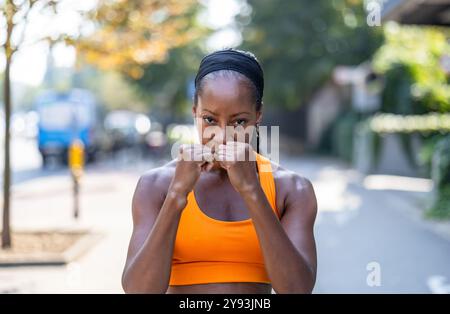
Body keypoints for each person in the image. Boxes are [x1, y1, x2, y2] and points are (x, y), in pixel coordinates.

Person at [122, 48, 318, 294]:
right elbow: (138, 291)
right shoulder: (155, 186)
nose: (222, 137)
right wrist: (177, 195)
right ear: (195, 112)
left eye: (239, 122)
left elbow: (297, 289)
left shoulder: (292, 190)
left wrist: (252, 191)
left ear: (258, 115)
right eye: (210, 120)